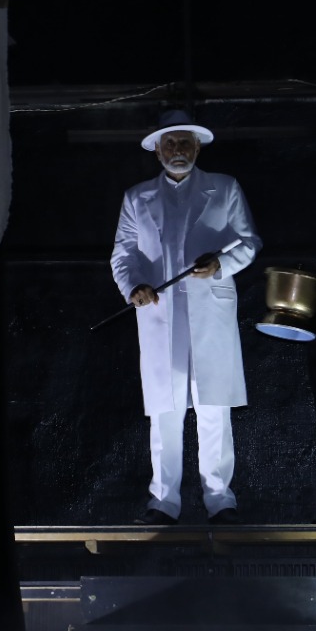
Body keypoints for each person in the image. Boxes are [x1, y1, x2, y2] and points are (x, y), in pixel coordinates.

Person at [111, 108, 261, 525]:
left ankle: (220, 500)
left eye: (184, 143)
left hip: (210, 309)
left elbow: (249, 241)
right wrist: (134, 287)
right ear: (157, 150)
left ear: (197, 147)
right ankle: (164, 501)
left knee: (213, 405)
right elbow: (124, 254)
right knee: (165, 408)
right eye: (170, 143)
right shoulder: (137, 197)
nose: (177, 149)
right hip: (160, 312)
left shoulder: (224, 188)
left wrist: (220, 265)